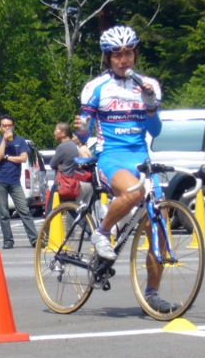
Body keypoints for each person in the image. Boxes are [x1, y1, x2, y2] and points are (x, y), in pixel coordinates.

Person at [74, 25, 173, 312]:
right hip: (112, 157)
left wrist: (151, 105)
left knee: (161, 223)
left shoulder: (148, 85)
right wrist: (81, 130)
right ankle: (103, 232)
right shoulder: (96, 88)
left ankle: (152, 294)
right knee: (133, 192)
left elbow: (155, 130)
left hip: (141, 155)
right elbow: (84, 133)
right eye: (117, 55)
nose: (124, 60)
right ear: (107, 58)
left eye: (128, 53)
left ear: (135, 53)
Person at [0, 115, 38, 249]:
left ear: (13, 126)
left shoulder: (20, 141)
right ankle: (8, 240)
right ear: (0, 127)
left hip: (15, 181)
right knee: (3, 213)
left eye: (9, 125)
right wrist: (4, 142)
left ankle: (35, 239)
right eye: (4, 126)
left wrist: (8, 156)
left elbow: (23, 158)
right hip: (0, 180)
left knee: (24, 210)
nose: (7, 128)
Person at [45, 122, 93, 212]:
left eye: (56, 130)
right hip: (71, 182)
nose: (54, 132)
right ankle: (87, 226)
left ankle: (46, 226)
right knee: (71, 210)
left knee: (50, 210)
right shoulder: (72, 145)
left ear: (63, 133)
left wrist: (58, 165)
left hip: (62, 182)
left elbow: (52, 164)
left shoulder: (62, 147)